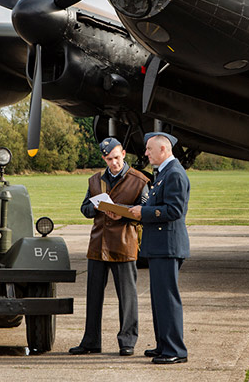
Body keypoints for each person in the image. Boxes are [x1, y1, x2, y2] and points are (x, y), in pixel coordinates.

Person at [69, 137, 149, 357]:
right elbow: (84, 208)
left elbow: (144, 212)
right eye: (109, 159)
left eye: (116, 157)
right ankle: (91, 341)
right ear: (104, 158)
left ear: (123, 153)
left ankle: (127, 342)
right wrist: (97, 208)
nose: (113, 162)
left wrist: (121, 210)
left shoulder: (140, 180)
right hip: (97, 245)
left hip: (124, 244)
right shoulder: (95, 180)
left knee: (128, 297)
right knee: (93, 297)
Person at [128, 132, 190, 364]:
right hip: (159, 246)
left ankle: (175, 350)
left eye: (149, 149)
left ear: (163, 150)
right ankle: (164, 344)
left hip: (168, 246)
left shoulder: (174, 174)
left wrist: (142, 212)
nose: (145, 153)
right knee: (159, 299)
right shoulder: (164, 173)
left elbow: (174, 211)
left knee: (167, 299)